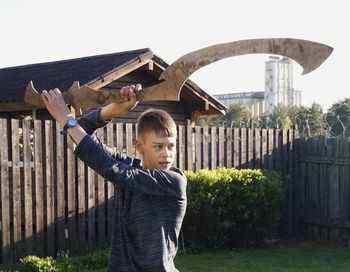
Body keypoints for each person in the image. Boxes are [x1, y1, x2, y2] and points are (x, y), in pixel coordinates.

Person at [41, 84, 187, 272]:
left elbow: (114, 170)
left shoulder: (173, 181)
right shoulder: (130, 167)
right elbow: (76, 140)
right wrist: (115, 109)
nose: (166, 154)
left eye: (171, 146)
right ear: (140, 147)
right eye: (158, 146)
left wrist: (64, 118)